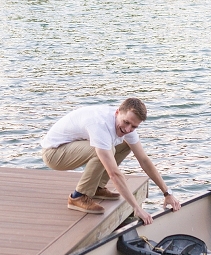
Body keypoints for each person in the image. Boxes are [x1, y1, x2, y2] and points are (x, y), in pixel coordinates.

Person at [40, 96, 181, 224]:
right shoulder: (100, 125)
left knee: (126, 145)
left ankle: (97, 188)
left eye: (134, 126)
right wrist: (136, 208)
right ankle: (78, 196)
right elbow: (114, 173)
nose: (127, 129)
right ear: (117, 112)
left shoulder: (126, 125)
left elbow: (143, 160)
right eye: (126, 123)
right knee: (104, 150)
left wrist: (167, 193)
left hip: (70, 147)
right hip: (54, 154)